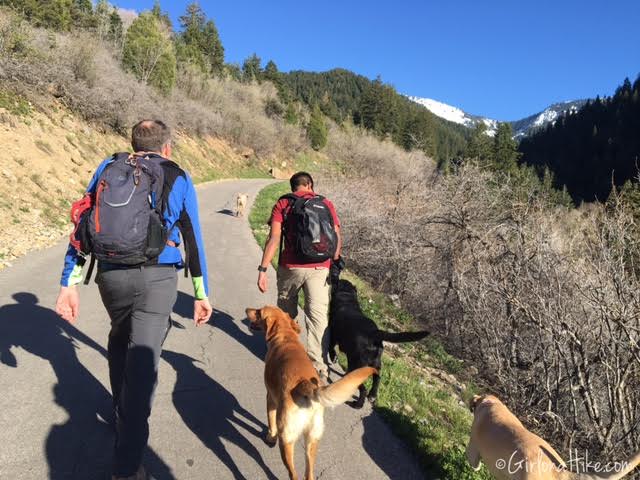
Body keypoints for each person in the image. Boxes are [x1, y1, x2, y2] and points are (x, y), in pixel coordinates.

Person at [55, 120, 213, 480]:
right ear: (167, 148)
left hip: (110, 275)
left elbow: (82, 221)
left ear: (133, 143)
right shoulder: (177, 176)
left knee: (119, 337)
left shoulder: (109, 167)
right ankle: (126, 468)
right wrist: (202, 294)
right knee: (143, 363)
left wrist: (69, 281)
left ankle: (118, 409)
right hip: (158, 279)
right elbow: (193, 237)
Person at [257, 172, 342, 382]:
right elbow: (337, 236)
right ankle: (319, 368)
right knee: (318, 318)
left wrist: (263, 269)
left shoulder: (284, 203)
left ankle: (286, 357)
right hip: (320, 268)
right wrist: (333, 259)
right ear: (310, 185)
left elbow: (274, 237)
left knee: (286, 315)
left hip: (290, 267)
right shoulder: (325, 203)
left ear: (293, 186)